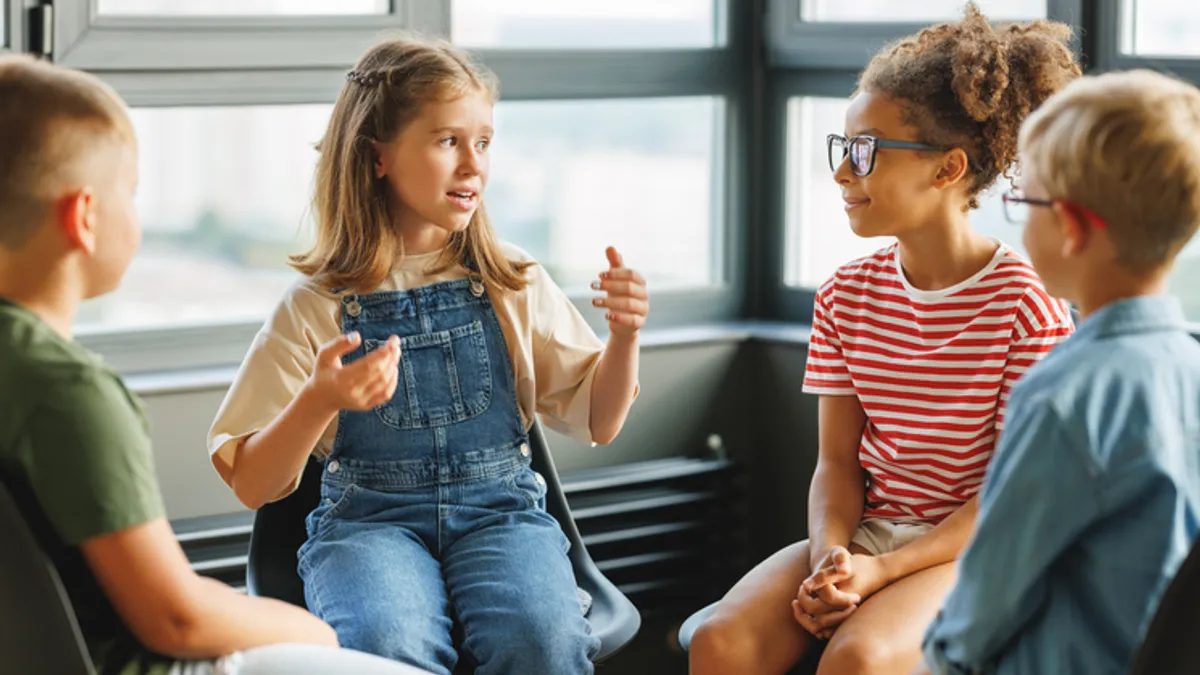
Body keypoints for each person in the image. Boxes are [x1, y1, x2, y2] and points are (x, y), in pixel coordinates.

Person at [207, 35, 645, 675]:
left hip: (502, 519)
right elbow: (252, 482)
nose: (474, 165)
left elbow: (600, 423)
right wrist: (318, 401)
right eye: (448, 142)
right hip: (367, 530)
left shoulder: (512, 280)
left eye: (484, 141)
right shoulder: (313, 305)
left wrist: (625, 338)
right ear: (377, 155)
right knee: (388, 646)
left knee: (544, 645)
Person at [0, 54, 431, 675]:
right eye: (132, 193)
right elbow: (175, 618)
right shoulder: (65, 393)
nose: (136, 212)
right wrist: (309, 628)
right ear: (85, 217)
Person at [688, 5, 1080, 673]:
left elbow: (1008, 496)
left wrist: (882, 571)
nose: (843, 172)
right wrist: (830, 561)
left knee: (859, 659)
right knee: (718, 641)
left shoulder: (1026, 306)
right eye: (843, 149)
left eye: (865, 151)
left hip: (978, 550)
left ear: (947, 168)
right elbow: (836, 465)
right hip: (869, 537)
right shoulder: (845, 296)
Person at [919, 68, 1200, 675]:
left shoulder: (1063, 398)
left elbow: (980, 611)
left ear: (1070, 227)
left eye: (1025, 202)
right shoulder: (1191, 366)